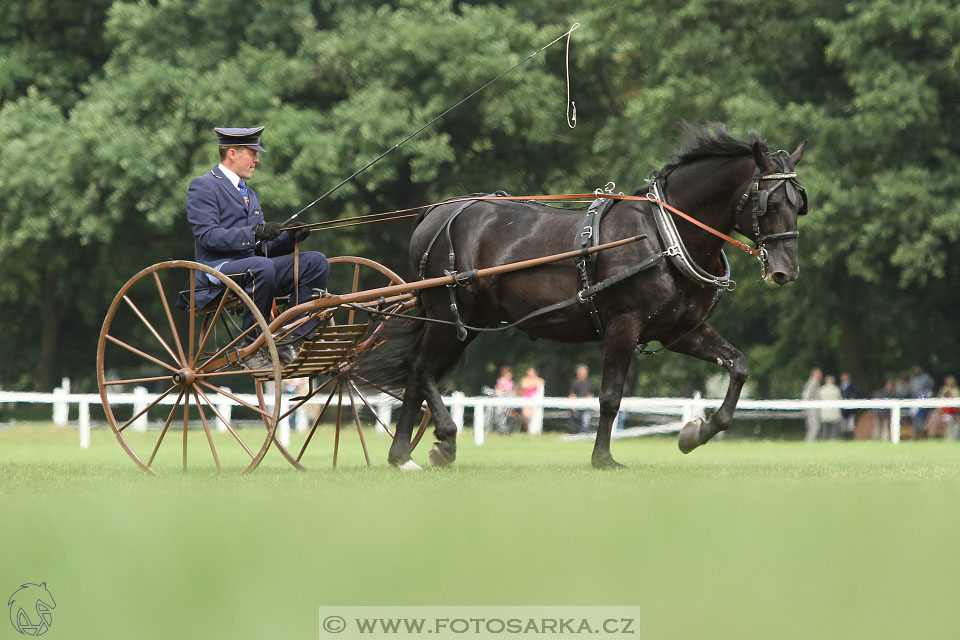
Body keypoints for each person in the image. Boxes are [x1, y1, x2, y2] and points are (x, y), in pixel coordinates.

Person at [183, 126, 329, 369]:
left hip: (256, 267)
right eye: (252, 153)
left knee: (315, 262)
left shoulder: (250, 194)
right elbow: (207, 236)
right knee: (261, 267)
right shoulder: (203, 186)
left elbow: (262, 248)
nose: (257, 159)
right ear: (232, 154)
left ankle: (293, 337)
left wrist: (288, 237)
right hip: (218, 269)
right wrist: (254, 232)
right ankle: (250, 345)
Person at [568, 364, 595, 433]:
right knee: (575, 417)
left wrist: (589, 403)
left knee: (586, 419)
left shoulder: (589, 383)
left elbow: (591, 394)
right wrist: (573, 405)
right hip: (577, 404)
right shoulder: (575, 382)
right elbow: (572, 394)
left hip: (586, 404)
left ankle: (585, 431)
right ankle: (574, 432)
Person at [819, 375, 843, 440]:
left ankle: (824, 439)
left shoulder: (822, 389)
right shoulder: (836, 389)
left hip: (824, 413)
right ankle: (834, 439)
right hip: (834, 413)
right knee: (834, 429)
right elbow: (840, 399)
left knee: (825, 429)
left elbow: (819, 399)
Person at [936, 375, 960, 440]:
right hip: (943, 411)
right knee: (932, 418)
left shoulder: (956, 390)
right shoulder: (943, 389)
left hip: (953, 411)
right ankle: (931, 437)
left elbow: (957, 404)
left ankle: (950, 437)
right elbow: (939, 401)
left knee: (950, 420)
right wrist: (940, 410)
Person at [802, 368, 822, 442]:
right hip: (812, 409)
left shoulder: (813, 383)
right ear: (815, 374)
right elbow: (806, 395)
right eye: (819, 374)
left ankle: (810, 440)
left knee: (813, 426)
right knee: (814, 426)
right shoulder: (813, 383)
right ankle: (810, 441)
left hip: (812, 408)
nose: (821, 376)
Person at [839, 372, 858, 439]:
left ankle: (850, 437)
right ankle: (845, 437)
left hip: (850, 409)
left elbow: (855, 395)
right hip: (842, 409)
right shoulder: (839, 386)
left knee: (851, 425)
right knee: (843, 425)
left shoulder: (852, 386)